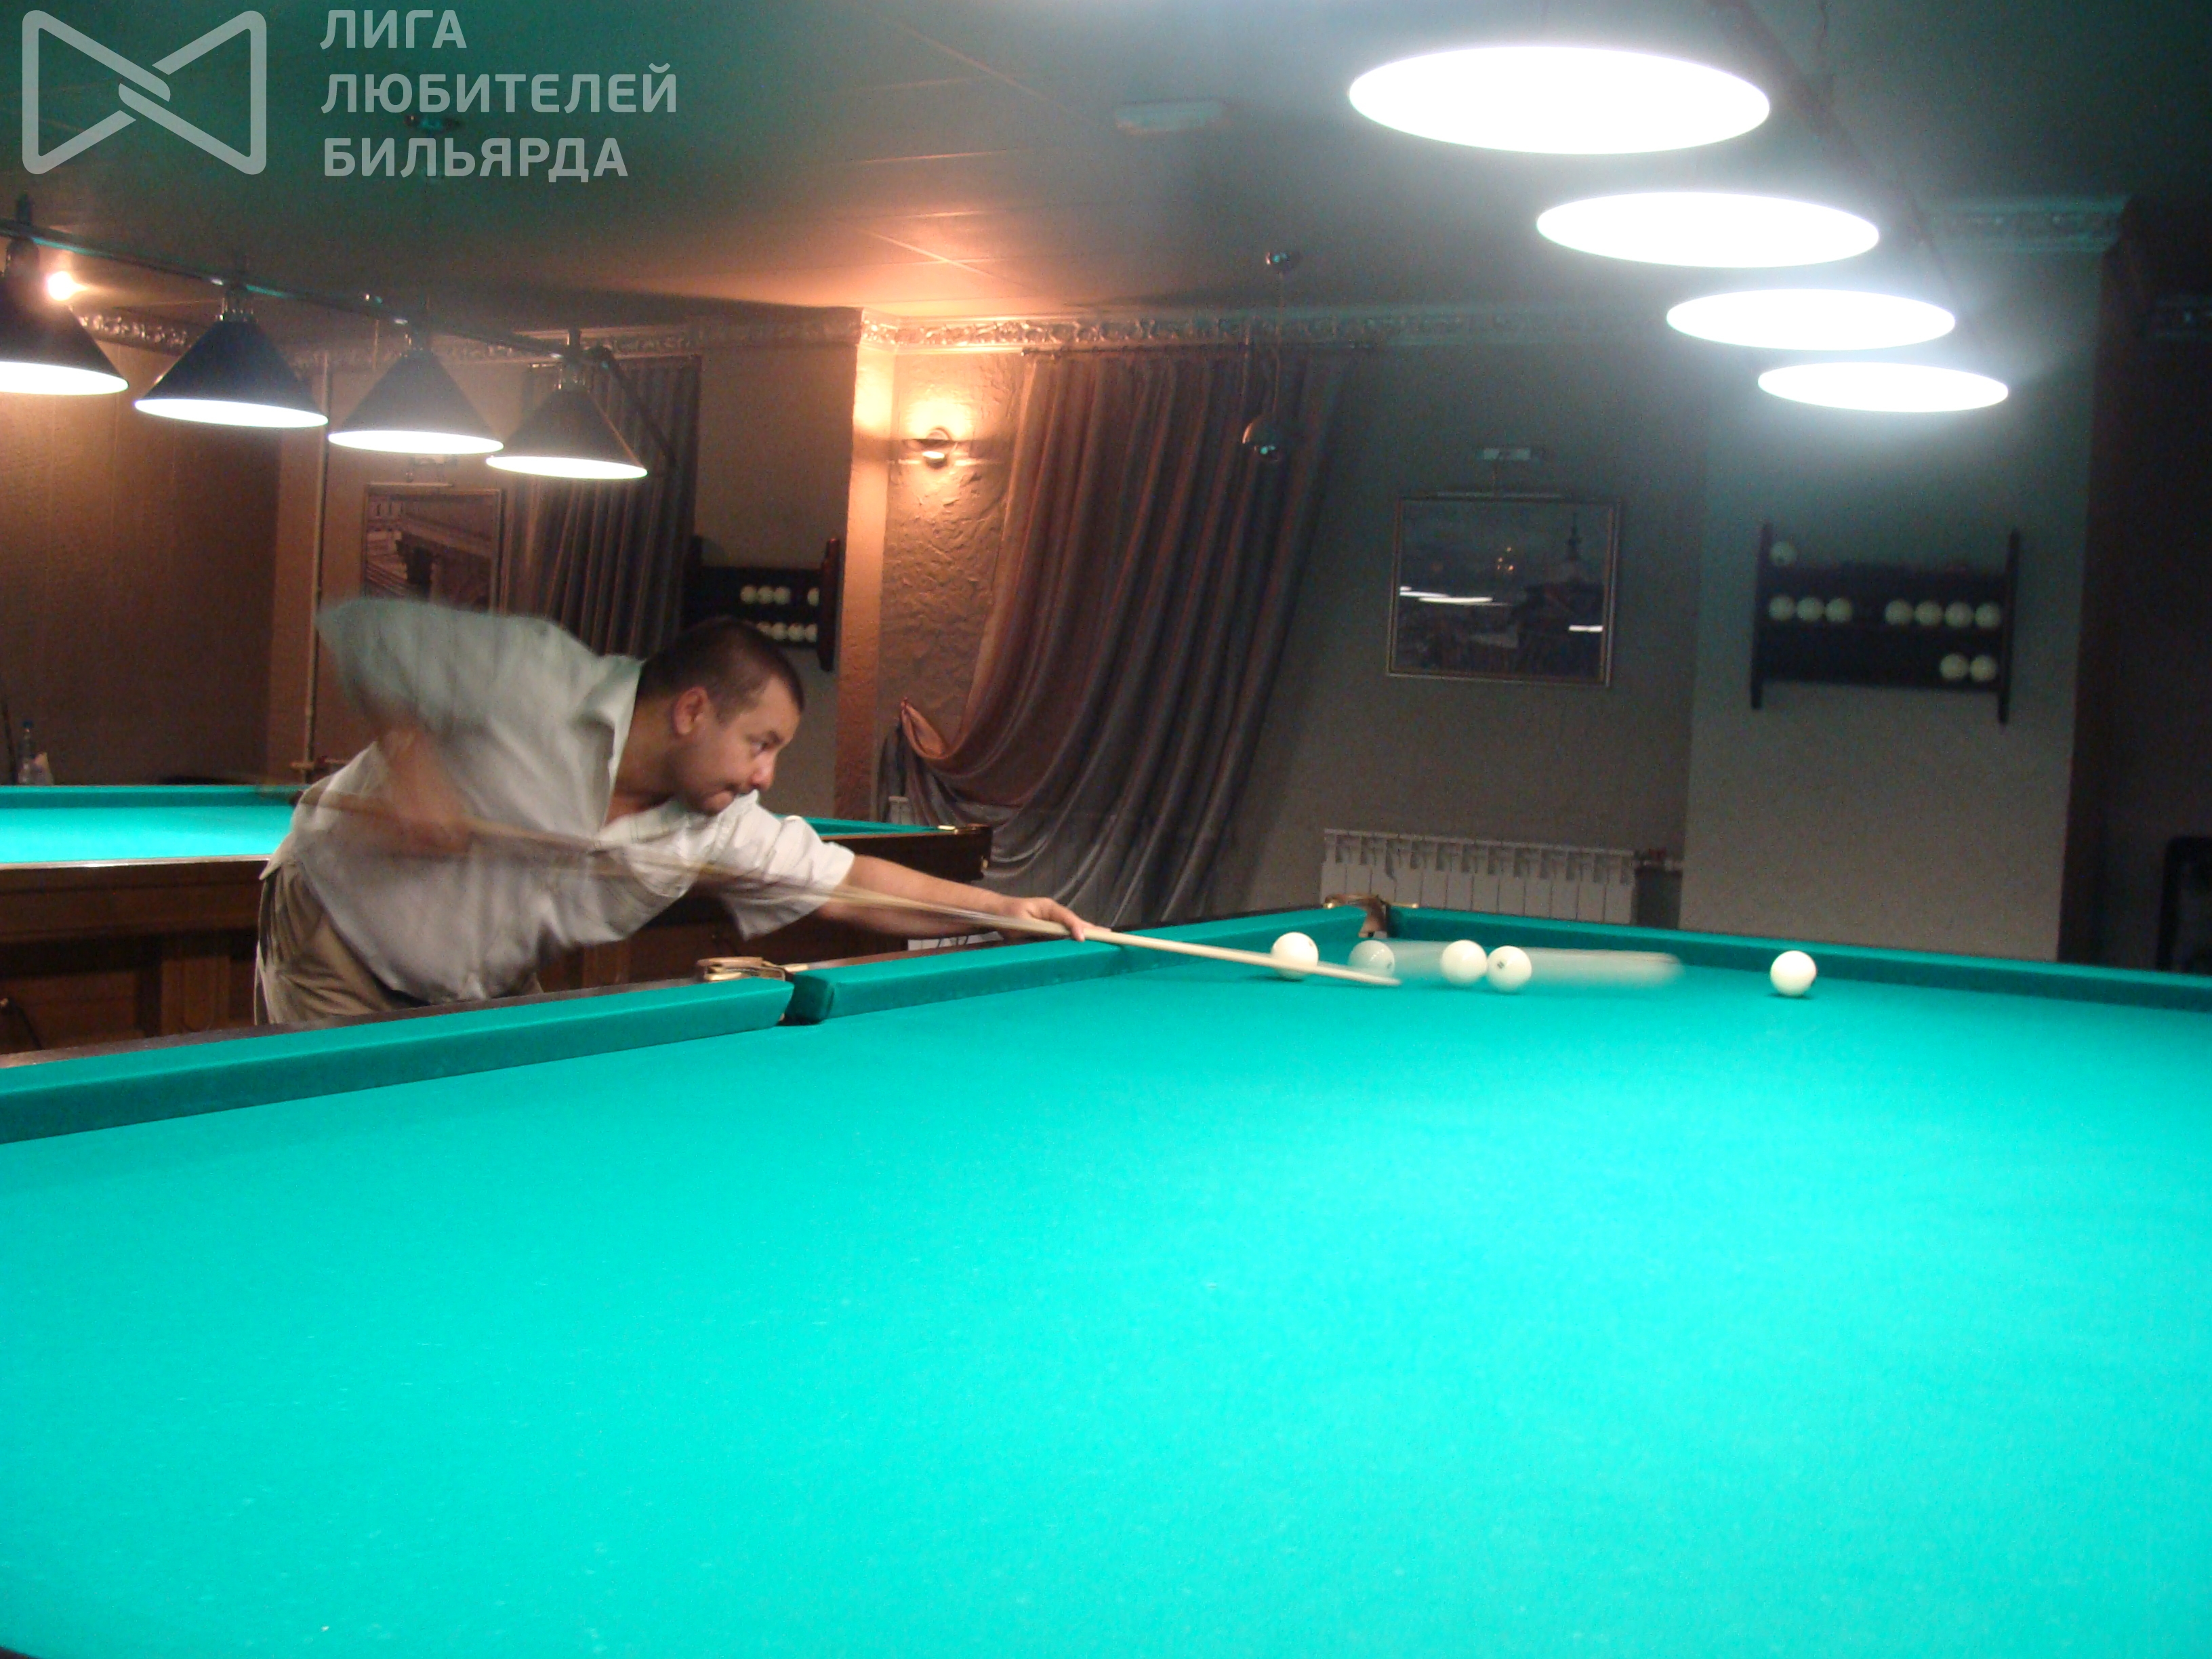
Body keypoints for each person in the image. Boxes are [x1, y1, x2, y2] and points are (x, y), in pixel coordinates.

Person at [256, 599, 1086, 1023]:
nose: (766, 776)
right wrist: (412, 765)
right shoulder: (538, 680)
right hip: (339, 935)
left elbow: (847, 885)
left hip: (471, 981)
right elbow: (366, 631)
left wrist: (1003, 912)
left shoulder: (713, 827)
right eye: (760, 743)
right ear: (692, 710)